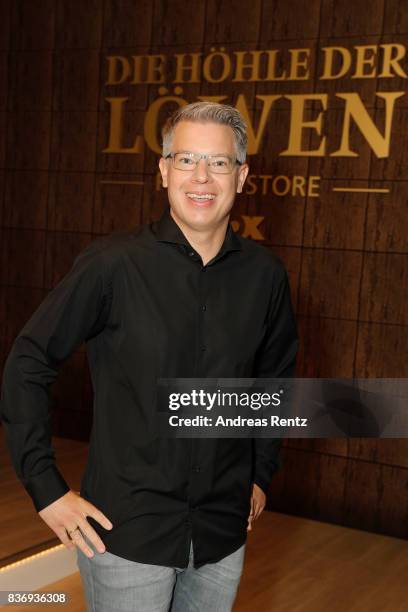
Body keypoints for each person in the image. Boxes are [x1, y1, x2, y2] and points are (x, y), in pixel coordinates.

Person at [0, 101, 299, 611]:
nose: (202, 177)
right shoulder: (113, 265)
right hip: (126, 535)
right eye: (186, 160)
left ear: (242, 176)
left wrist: (258, 471)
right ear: (163, 171)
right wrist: (47, 489)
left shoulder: (265, 276)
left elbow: (274, 380)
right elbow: (28, 361)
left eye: (220, 163)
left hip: (221, 536)